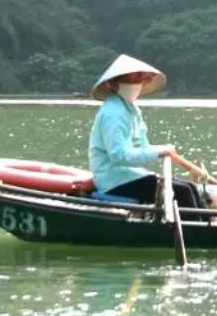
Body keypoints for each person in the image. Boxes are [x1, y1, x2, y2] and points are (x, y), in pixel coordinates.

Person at [86, 53, 210, 209]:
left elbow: (142, 147)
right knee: (182, 192)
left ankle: (207, 221)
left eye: (139, 79)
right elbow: (119, 155)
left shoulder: (132, 110)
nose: (136, 84)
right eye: (131, 79)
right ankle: (197, 224)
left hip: (130, 176)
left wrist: (162, 150)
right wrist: (159, 151)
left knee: (189, 187)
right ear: (112, 83)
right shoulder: (113, 112)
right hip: (114, 181)